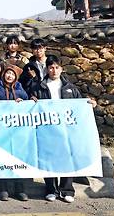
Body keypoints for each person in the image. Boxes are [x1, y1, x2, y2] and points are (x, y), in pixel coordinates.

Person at [32, 55, 97, 203]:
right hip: (47, 129)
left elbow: (80, 106)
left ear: (61, 69)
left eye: (56, 67)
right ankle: (51, 189)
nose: (54, 70)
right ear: (46, 69)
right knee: (48, 158)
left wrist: (89, 104)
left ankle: (67, 190)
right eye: (51, 68)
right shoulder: (39, 87)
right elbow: (32, 105)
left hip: (67, 129)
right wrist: (32, 101)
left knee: (68, 157)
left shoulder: (70, 88)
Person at [0, 65, 29, 202]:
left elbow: (28, 104)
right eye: (7, 73)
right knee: (2, 157)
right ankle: (3, 188)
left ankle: (19, 188)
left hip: (16, 130)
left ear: (15, 76)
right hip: (1, 129)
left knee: (17, 157)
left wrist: (23, 102)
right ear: (3, 75)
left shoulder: (20, 90)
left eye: (12, 74)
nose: (9, 76)